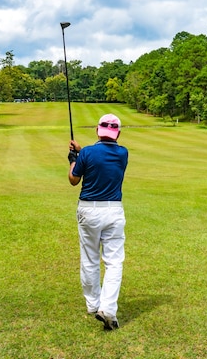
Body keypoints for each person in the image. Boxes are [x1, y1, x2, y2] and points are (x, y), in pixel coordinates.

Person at [68, 113, 128, 331]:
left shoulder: (87, 154)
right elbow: (101, 157)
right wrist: (81, 153)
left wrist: (74, 158)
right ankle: (108, 309)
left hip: (88, 210)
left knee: (90, 259)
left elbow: (74, 179)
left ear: (97, 130)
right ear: (118, 133)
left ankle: (93, 305)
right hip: (113, 210)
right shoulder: (123, 153)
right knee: (114, 261)